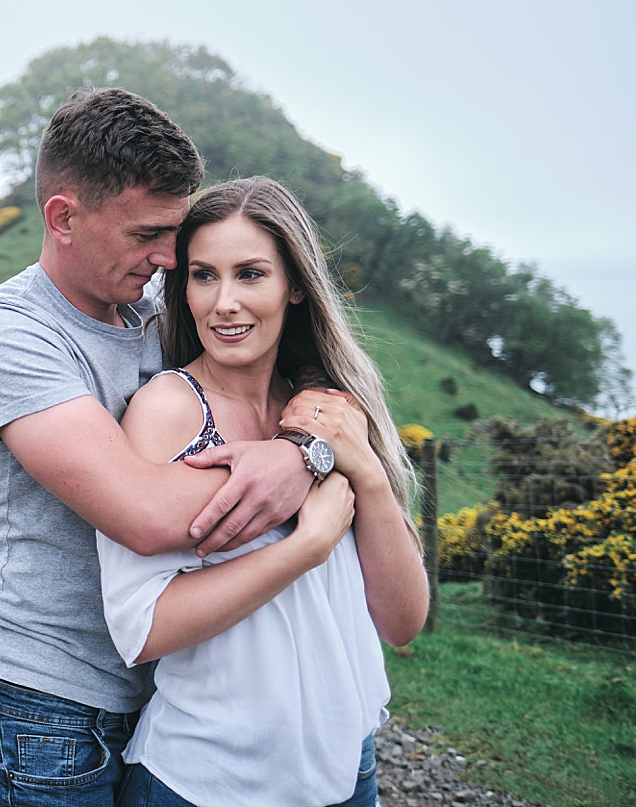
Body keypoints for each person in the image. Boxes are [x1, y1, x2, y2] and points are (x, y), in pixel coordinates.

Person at [0, 89, 326, 806]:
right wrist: (304, 470)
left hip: (160, 696)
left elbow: (297, 373)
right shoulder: (10, 336)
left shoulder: (153, 308)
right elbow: (145, 514)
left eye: (175, 232)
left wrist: (303, 445)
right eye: (147, 233)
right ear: (64, 218)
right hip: (41, 707)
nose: (171, 257)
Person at [98, 176, 429, 806]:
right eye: (203, 275)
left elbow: (403, 621)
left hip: (347, 775)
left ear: (296, 286)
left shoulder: (329, 412)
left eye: (250, 274)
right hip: (208, 779)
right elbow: (139, 628)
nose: (224, 302)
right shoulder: (169, 410)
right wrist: (303, 548)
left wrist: (367, 475)